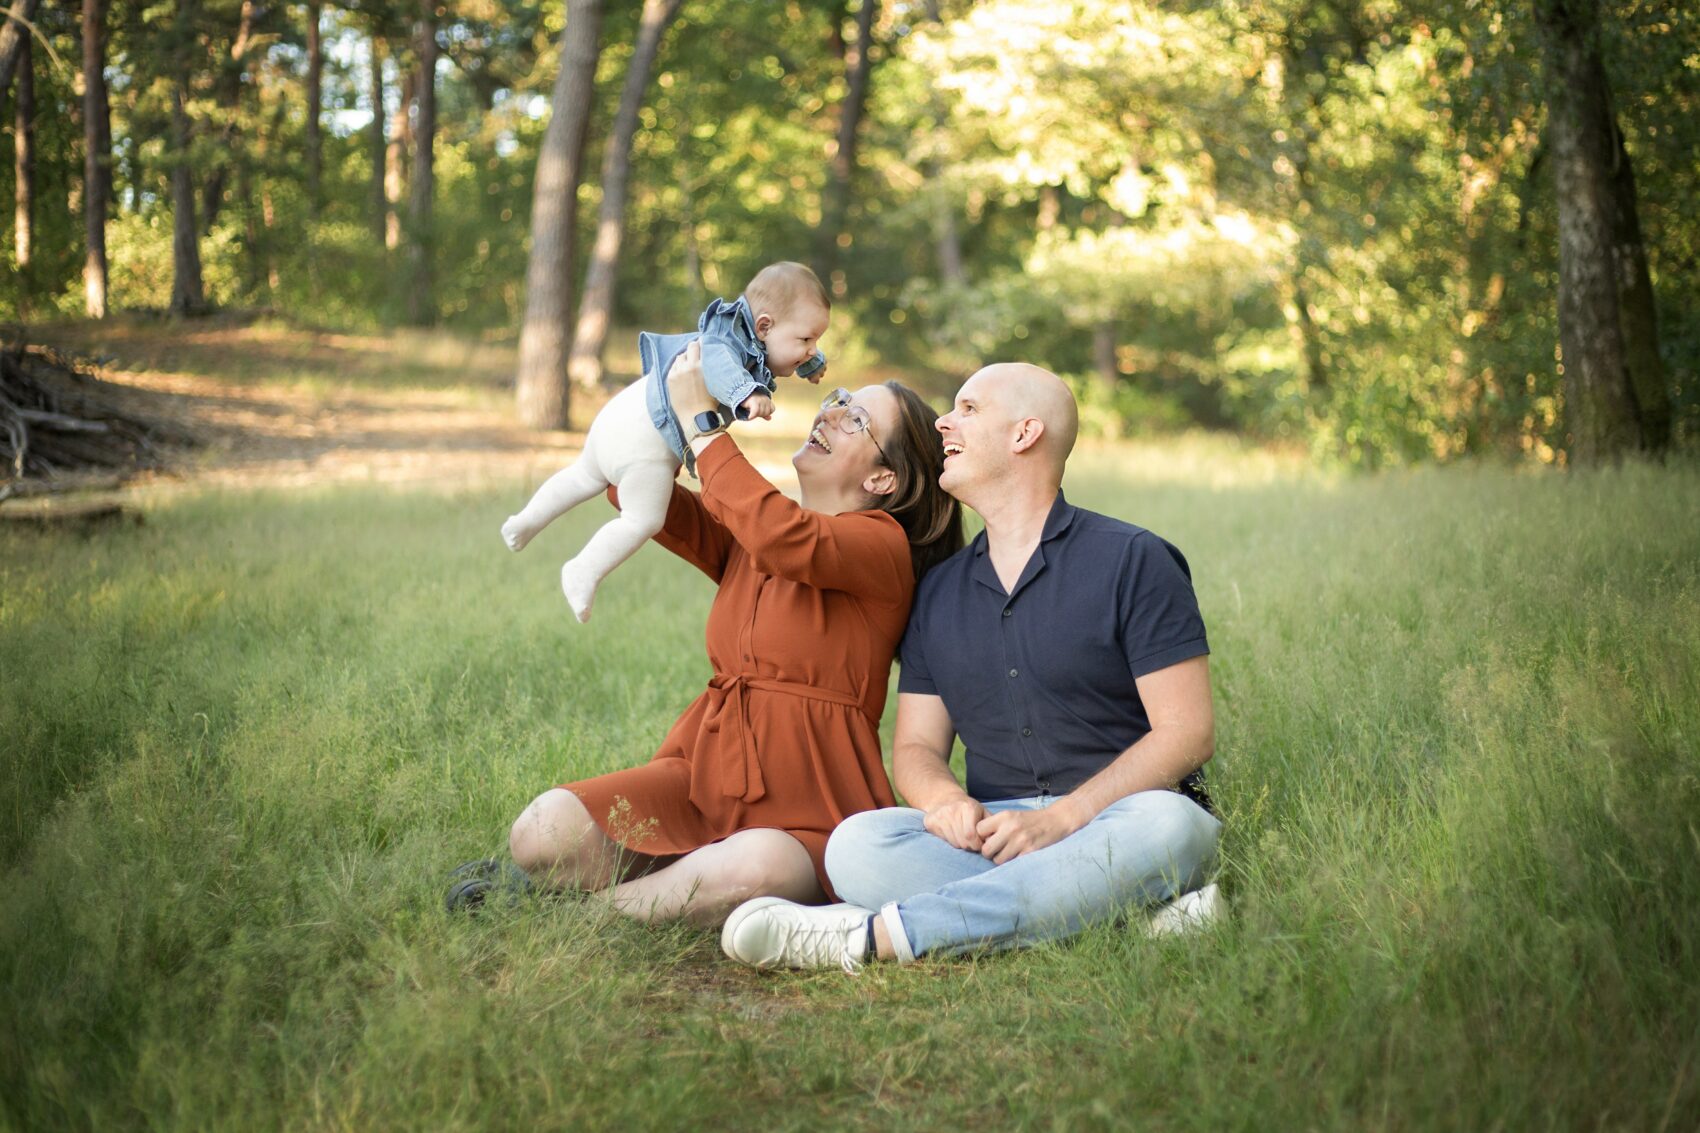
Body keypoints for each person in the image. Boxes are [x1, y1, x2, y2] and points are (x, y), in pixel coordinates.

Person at [719, 362, 1222, 970]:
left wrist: (1062, 821)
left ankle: (870, 939)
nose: (943, 423)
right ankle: (1122, 912)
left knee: (1173, 825)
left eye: (968, 409)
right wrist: (944, 801)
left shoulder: (1134, 559)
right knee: (856, 845)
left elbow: (1187, 732)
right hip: (994, 839)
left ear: (1025, 434)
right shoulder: (937, 590)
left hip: (1117, 818)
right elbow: (917, 750)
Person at [451, 344, 964, 925]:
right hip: (704, 778)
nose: (829, 413)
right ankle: (665, 883)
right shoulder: (759, 529)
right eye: (835, 400)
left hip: (811, 813)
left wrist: (704, 429)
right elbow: (649, 499)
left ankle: (572, 917)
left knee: (756, 867)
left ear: (883, 478)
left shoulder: (881, 547)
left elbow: (782, 536)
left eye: (856, 419)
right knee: (541, 833)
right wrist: (672, 409)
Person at [500, 262, 831, 622]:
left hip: (623, 411)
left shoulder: (747, 335)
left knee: (583, 474)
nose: (812, 349)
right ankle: (583, 569)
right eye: (807, 341)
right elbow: (719, 367)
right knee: (642, 520)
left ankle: (524, 521)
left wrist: (810, 363)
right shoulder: (725, 348)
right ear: (764, 325)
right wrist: (747, 393)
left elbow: (782, 349)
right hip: (649, 441)